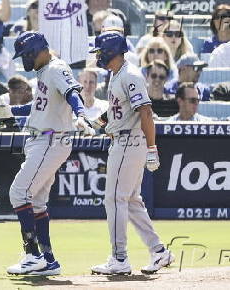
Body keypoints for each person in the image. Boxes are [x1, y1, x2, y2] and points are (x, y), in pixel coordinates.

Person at [0, 31, 95, 276]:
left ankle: (32, 254)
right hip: (44, 140)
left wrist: (81, 115)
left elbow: (72, 94)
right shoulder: (44, 71)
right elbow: (38, 105)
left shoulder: (56, 68)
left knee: (18, 193)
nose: (24, 60)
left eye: (25, 55)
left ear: (35, 51)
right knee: (36, 202)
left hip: (50, 139)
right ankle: (48, 260)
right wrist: (7, 111)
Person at [88, 32, 174, 275]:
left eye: (100, 52)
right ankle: (159, 251)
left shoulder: (130, 74)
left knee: (115, 199)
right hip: (123, 140)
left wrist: (152, 148)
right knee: (132, 201)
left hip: (129, 142)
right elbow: (119, 108)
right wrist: (97, 123)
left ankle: (119, 258)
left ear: (110, 51)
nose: (98, 56)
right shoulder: (118, 74)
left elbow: (145, 112)